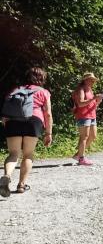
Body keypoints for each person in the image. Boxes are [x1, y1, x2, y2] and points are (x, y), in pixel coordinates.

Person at [0, 67, 53, 197]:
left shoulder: (16, 90)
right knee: (28, 154)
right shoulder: (43, 92)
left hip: (13, 121)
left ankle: (7, 175)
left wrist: (7, 123)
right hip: (33, 121)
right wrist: (48, 133)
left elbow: (6, 112)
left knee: (13, 154)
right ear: (42, 79)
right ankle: (21, 185)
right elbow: (48, 114)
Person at [72, 72, 103, 166]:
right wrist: (94, 98)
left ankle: (78, 154)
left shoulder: (90, 89)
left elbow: (93, 105)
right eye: (91, 79)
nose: (93, 81)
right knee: (84, 137)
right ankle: (81, 158)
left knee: (93, 136)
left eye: (93, 80)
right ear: (85, 80)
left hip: (92, 115)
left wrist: (98, 101)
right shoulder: (81, 89)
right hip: (83, 116)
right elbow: (81, 103)